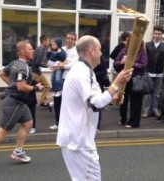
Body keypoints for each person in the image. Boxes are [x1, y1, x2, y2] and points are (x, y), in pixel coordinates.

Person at [56, 35, 132, 180]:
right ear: (91, 51)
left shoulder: (82, 69)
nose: (102, 54)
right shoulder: (82, 72)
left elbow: (92, 100)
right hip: (80, 141)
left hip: (73, 138)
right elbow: (95, 103)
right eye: (100, 50)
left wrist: (113, 95)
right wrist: (116, 83)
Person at [0, 41, 44, 168]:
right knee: (4, 130)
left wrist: (12, 84)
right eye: (30, 49)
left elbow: (2, 74)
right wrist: (35, 88)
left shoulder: (14, 63)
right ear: (22, 52)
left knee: (28, 123)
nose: (33, 51)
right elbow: (21, 86)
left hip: (18, 101)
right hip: (14, 102)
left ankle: (18, 151)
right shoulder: (23, 67)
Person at [49, 32, 79, 130]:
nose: (69, 40)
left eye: (72, 39)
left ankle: (68, 124)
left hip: (69, 79)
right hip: (58, 79)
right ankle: (58, 123)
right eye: (68, 38)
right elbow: (52, 60)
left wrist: (63, 65)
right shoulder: (62, 49)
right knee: (57, 102)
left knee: (68, 103)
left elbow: (73, 65)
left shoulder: (76, 51)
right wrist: (57, 64)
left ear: (75, 40)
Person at [114, 41, 147, 128]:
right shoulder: (124, 51)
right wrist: (121, 62)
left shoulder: (142, 52)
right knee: (123, 99)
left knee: (136, 101)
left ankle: (133, 122)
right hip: (124, 78)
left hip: (136, 79)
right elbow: (116, 63)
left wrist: (133, 63)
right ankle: (123, 119)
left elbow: (143, 65)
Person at [142, 25, 164, 118]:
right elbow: (144, 57)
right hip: (149, 71)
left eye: (159, 34)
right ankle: (146, 111)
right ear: (153, 34)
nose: (157, 35)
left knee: (157, 93)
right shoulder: (147, 45)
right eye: (155, 33)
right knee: (148, 92)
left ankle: (155, 109)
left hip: (159, 72)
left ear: (162, 35)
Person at [30, 35, 51, 107]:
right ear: (43, 41)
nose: (49, 42)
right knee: (31, 89)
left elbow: (34, 61)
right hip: (35, 73)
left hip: (36, 71)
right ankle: (29, 102)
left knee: (47, 86)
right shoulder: (41, 50)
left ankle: (42, 101)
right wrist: (46, 66)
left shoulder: (38, 48)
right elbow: (37, 62)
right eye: (48, 41)